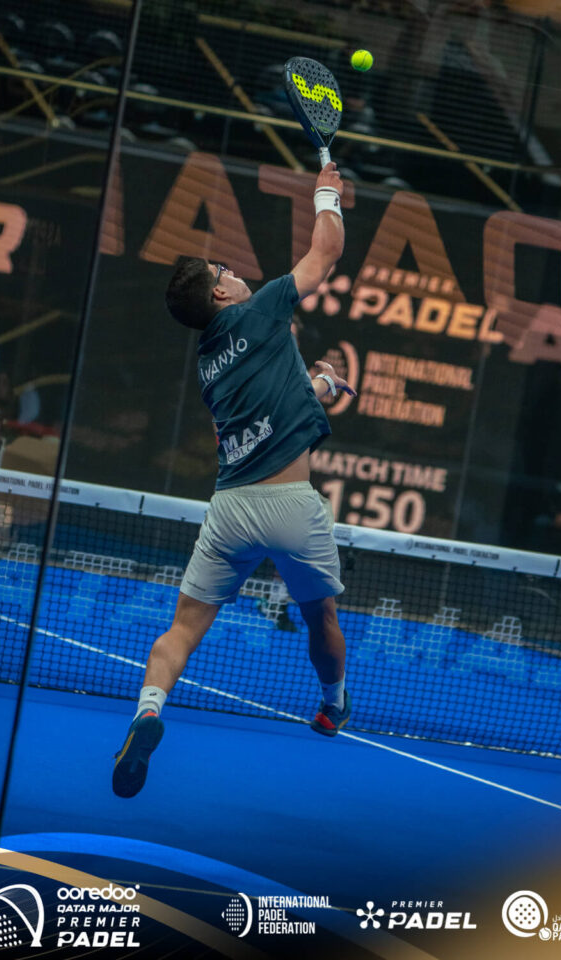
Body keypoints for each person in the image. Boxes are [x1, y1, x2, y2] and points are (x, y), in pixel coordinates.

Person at [113, 162, 356, 798]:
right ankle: (333, 704)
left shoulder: (208, 364)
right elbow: (326, 252)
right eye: (222, 270)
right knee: (321, 619)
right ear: (221, 295)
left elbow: (284, 399)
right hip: (291, 505)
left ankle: (148, 711)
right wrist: (326, 191)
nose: (232, 271)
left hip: (230, 511)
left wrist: (321, 383)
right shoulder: (265, 308)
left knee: (182, 629)